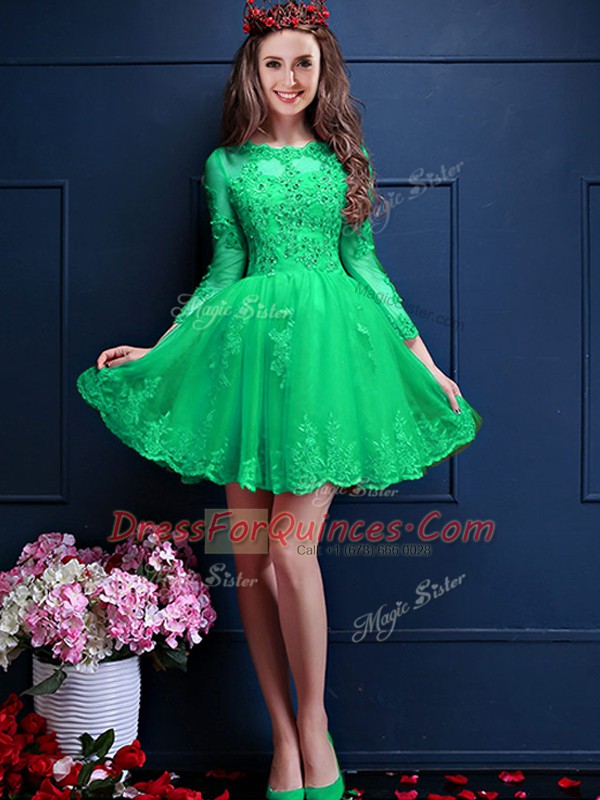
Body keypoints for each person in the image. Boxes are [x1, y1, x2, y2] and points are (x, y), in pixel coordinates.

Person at [77, 1, 483, 798]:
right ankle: (283, 740)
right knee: (254, 561)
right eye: (274, 64)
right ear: (252, 72)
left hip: (330, 363)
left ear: (324, 70)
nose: (289, 78)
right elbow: (223, 272)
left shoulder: (345, 160)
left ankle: (315, 726)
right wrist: (162, 349)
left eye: (303, 63)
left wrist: (425, 364)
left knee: (294, 553)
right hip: (246, 363)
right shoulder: (227, 166)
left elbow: (366, 269)